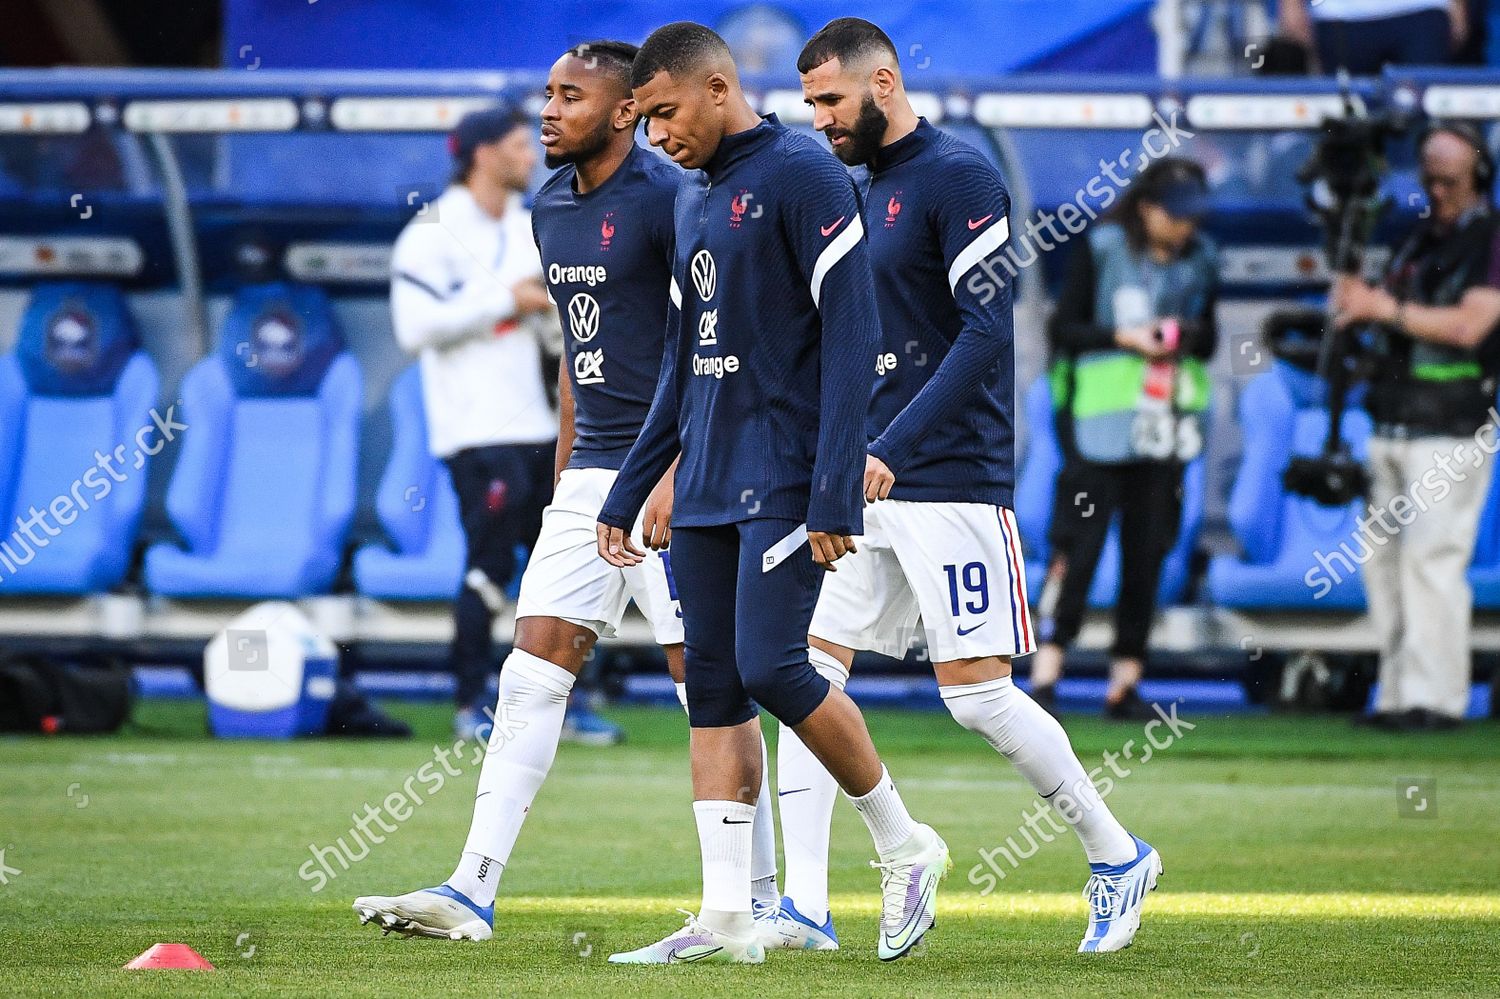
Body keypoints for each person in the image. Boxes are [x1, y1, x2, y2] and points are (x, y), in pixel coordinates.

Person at [353, 39, 779, 942]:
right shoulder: (548, 206)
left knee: (707, 687)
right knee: (531, 673)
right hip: (591, 482)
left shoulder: (675, 200)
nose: (547, 111)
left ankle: (756, 902)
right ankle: (470, 890)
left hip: (682, 471)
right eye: (546, 94)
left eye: (570, 96)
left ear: (626, 112)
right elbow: (577, 362)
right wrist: (566, 478)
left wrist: (669, 473)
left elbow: (709, 346)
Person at [766, 17, 1161, 957]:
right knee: (804, 674)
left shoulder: (964, 178)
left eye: (831, 99)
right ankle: (807, 907)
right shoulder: (855, 188)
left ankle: (1116, 855)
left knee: (977, 696)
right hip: (865, 478)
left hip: (950, 478)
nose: (818, 118)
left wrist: (891, 445)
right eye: (810, 101)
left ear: (885, 83)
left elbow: (985, 334)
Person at [595, 21, 949, 964]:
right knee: (710, 688)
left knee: (772, 668)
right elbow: (681, 358)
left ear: (717, 89)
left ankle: (905, 844)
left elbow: (852, 335)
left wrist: (836, 484)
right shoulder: (688, 201)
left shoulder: (803, 174)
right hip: (707, 477)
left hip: (787, 477)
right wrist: (628, 489)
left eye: (665, 113)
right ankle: (724, 918)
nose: (658, 135)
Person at [388, 107, 558, 741]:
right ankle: (469, 702)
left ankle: (562, 703)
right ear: (485, 153)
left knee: (559, 569)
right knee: (489, 563)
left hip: (544, 427)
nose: (531, 155)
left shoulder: (530, 226)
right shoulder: (431, 233)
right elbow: (413, 329)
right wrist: (502, 301)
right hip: (476, 433)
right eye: (520, 144)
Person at [1031, 157, 1219, 723]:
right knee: (1078, 548)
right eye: (1175, 215)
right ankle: (1046, 676)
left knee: (1148, 552)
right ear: (1147, 208)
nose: (1185, 227)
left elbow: (1209, 337)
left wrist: (1181, 336)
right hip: (1095, 428)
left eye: (1192, 218)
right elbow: (1062, 329)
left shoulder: (1201, 259)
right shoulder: (1105, 247)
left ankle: (1125, 683)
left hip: (1163, 428)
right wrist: (1125, 337)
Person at [1333, 121, 1500, 731]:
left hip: (1452, 426)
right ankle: (1399, 695)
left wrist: (1383, 308)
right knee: (1385, 564)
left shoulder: (1491, 240)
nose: (1437, 190)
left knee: (1432, 560)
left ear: (1479, 174)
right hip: (1394, 418)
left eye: (1449, 179)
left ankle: (1437, 700)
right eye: (1428, 178)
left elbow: (1468, 328)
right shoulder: (1417, 239)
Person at [1277, 0, 1466, 74]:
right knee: (1345, 128)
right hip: (1340, 17)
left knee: (1423, 125)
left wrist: (1457, 5)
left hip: (1422, 11)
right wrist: (1290, 5)